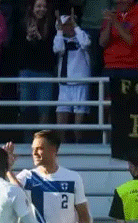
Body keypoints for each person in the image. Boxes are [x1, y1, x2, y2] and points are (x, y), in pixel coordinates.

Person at [16, 0, 56, 130]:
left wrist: (39, 39)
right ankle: (27, 143)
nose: (41, 9)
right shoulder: (22, 24)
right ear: (32, 8)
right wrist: (28, 39)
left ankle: (42, 143)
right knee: (26, 110)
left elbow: (52, 53)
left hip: (45, 73)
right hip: (27, 73)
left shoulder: (51, 26)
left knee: (44, 111)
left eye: (44, 6)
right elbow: (16, 51)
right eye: (38, 6)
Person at [53, 11, 91, 144]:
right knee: (60, 126)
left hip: (80, 83)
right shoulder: (59, 39)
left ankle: (79, 146)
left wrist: (76, 27)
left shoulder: (83, 36)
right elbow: (57, 49)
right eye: (64, 25)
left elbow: (86, 44)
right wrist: (58, 32)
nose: (67, 27)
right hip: (64, 85)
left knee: (78, 127)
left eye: (69, 24)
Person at [100, 0, 138, 81]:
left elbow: (133, 42)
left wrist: (115, 22)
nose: (119, 2)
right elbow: (102, 43)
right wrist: (109, 22)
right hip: (110, 67)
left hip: (131, 68)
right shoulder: (113, 16)